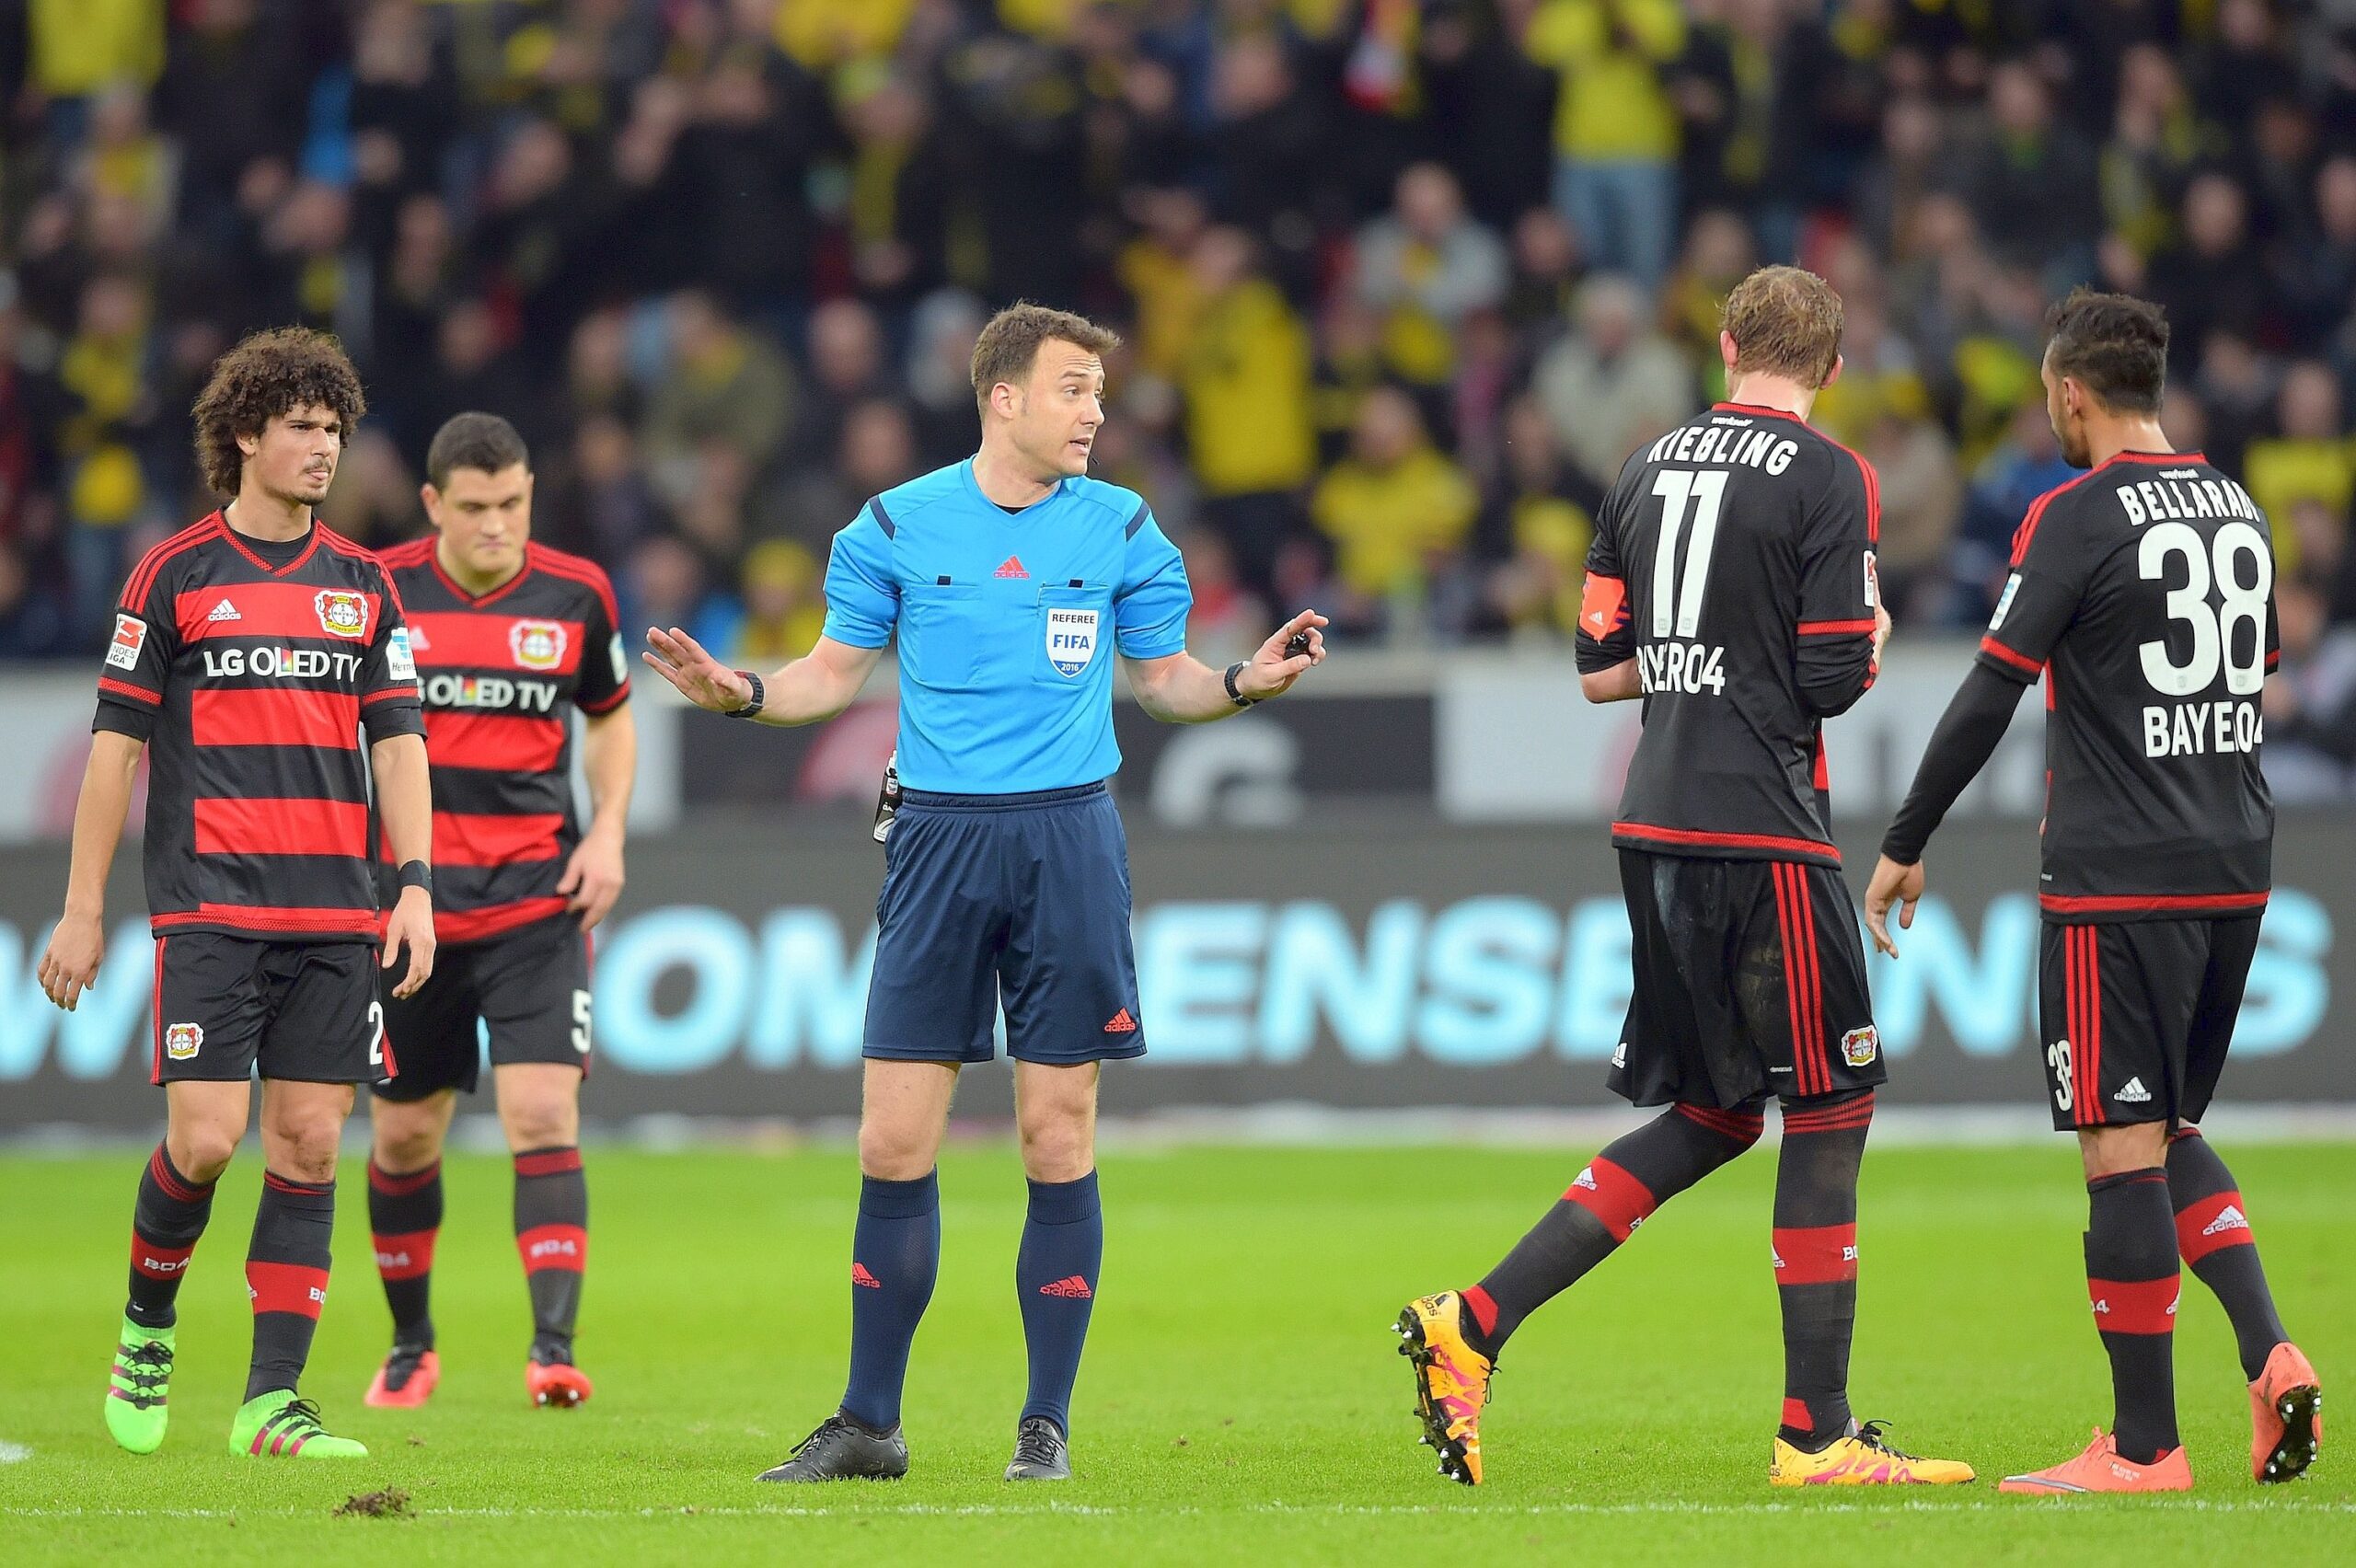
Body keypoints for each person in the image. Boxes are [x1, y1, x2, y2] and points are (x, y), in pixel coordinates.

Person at [642, 303, 1325, 1484]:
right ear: (1002, 396)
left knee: (1055, 1136)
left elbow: (1163, 681)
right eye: (1074, 389)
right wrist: (741, 691)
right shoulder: (897, 524)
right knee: (892, 1137)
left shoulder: (1120, 524)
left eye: (1098, 394)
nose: (1096, 413)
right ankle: (869, 1424)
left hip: (1068, 840)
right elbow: (826, 676)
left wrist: (1244, 680)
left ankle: (1043, 1424)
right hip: (940, 844)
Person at [1396, 267, 1972, 1489]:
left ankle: (1475, 1322)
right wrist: (1861, 643)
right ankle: (1815, 1433)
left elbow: (1601, 671)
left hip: (1654, 822)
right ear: (1832, 366)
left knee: (1718, 1112)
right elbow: (1826, 677)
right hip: (1763, 829)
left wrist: (1705, 662)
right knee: (1832, 1106)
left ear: (1723, 348)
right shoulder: (1834, 475)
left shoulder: (1644, 465)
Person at [1866, 290, 2322, 1495]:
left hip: (2118, 875)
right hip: (2238, 867)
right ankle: (2268, 1347)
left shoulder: (2072, 515)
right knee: (2169, 1130)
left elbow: (1990, 687)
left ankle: (2142, 1451)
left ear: (2071, 392)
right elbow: (2257, 675)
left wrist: (1906, 837)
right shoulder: (2236, 505)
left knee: (2120, 1153)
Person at [39, 327, 433, 1460]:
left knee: (309, 1144)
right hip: (210, 903)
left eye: (334, 429)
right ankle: (148, 1326)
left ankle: (272, 1402)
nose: (323, 448)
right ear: (246, 435)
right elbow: (114, 751)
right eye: (302, 427)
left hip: (335, 912)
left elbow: (400, 748)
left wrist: (412, 888)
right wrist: (82, 907)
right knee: (207, 1142)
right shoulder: (174, 575)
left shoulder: (364, 588)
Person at [360, 412, 636, 1412]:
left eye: (512, 505)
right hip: (409, 911)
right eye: (473, 508)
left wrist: (605, 833)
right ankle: (410, 1345)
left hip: (535, 899)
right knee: (403, 1139)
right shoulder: (377, 591)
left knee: (541, 1111)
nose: (495, 525)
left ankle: (552, 1350)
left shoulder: (577, 594)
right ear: (433, 504)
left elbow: (610, 720)